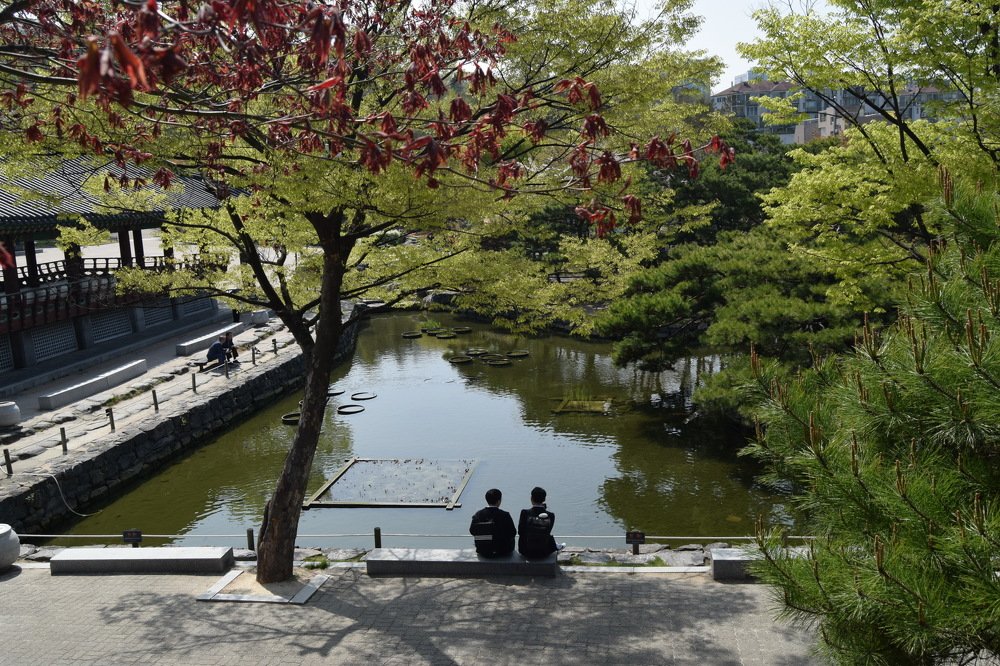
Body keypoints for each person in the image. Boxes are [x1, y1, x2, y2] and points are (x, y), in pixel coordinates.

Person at [469, 488, 516, 558]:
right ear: (499, 501)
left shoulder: (478, 514)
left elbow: (472, 531)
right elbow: (513, 533)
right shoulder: (505, 515)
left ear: (486, 500)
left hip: (483, 550)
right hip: (504, 551)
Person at [518, 486, 560, 559]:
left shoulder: (524, 513)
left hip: (525, 551)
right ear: (544, 499)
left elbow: (520, 532)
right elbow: (547, 531)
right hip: (543, 552)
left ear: (531, 498)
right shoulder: (551, 515)